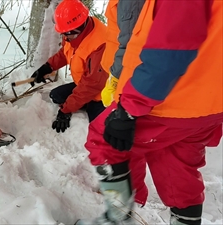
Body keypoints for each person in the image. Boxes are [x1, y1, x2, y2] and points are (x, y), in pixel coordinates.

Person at [77, 0, 223, 224]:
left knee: (106, 139)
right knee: (176, 162)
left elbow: (170, 49)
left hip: (171, 97)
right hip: (209, 101)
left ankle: (118, 217)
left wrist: (129, 107)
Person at [30, 0, 108, 133]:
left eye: (66, 33)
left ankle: (94, 106)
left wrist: (66, 110)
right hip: (84, 83)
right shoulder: (74, 33)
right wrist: (47, 67)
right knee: (56, 96)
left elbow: (92, 84)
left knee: (100, 129)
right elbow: (66, 52)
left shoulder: (100, 44)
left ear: (77, 28)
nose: (63, 37)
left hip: (102, 92)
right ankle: (82, 101)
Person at [99, 0, 148, 207]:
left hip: (129, 80)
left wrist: (117, 79)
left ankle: (119, 211)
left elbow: (129, 42)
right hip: (130, 77)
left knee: (109, 141)